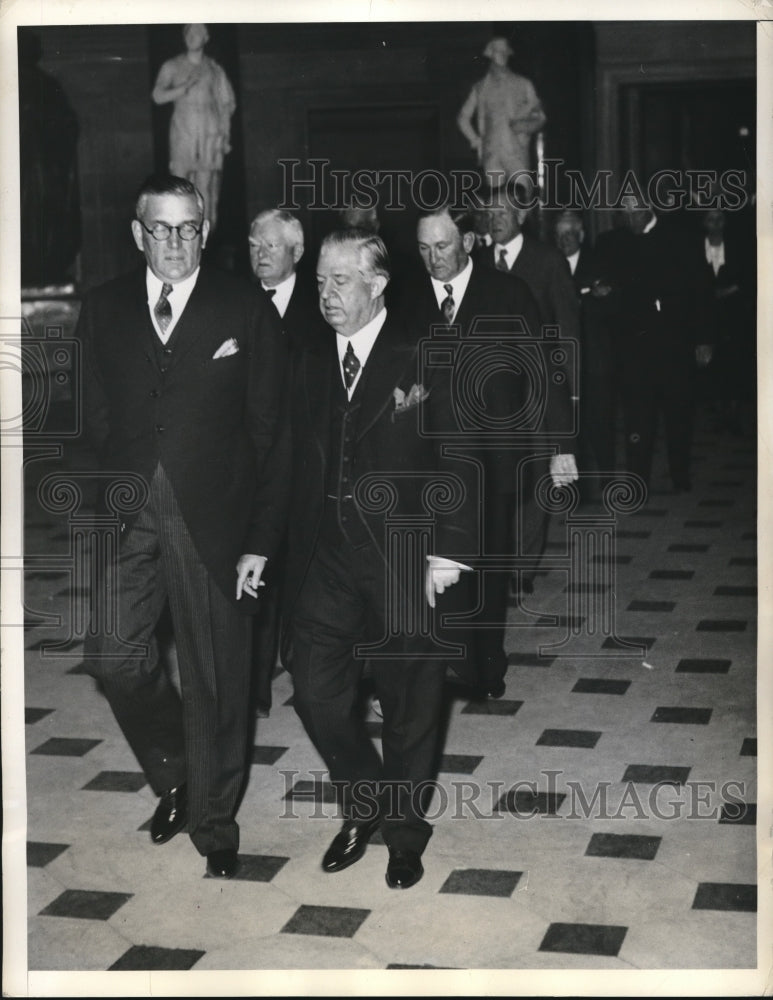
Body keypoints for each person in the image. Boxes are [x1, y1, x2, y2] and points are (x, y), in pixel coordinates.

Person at [79, 174, 289, 879]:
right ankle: (177, 774)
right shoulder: (104, 306)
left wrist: (260, 537)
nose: (175, 243)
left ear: (206, 229)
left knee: (216, 681)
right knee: (112, 655)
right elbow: (95, 415)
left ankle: (215, 822)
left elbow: (270, 433)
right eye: (161, 229)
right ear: (137, 233)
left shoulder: (243, 306)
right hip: (131, 513)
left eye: (188, 228)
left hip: (218, 522)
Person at [282, 228, 480, 890]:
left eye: (340, 281)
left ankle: (403, 834)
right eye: (318, 282)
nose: (325, 295)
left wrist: (449, 550)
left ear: (378, 283)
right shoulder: (307, 357)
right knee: (313, 690)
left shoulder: (429, 352)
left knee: (410, 704)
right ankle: (365, 794)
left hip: (406, 555)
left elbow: (461, 456)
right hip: (326, 557)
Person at [400, 205, 577, 700]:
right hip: (430, 462)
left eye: (442, 246)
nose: (433, 258)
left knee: (489, 568)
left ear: (469, 243)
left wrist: (561, 447)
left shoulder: (509, 294)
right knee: (438, 564)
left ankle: (485, 666)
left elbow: (544, 376)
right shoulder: (406, 301)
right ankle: (447, 668)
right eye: (423, 248)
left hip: (497, 460)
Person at [482, 181, 580, 590]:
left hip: (538, 392)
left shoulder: (547, 261)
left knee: (535, 476)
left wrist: (571, 395)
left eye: (503, 213)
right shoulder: (475, 261)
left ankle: (521, 567)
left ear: (521, 215)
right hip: (488, 393)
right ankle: (499, 562)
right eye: (489, 214)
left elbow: (569, 331)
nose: (495, 220)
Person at [247, 208, 325, 715]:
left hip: (304, 461)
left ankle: (305, 669)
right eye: (254, 244)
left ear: (296, 252)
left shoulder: (321, 308)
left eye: (270, 247)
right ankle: (253, 687)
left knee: (302, 570)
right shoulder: (233, 301)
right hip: (250, 463)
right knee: (255, 571)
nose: (259, 254)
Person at [594, 195, 714, 493]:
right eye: (625, 214)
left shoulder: (682, 239)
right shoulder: (611, 242)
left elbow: (702, 292)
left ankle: (680, 473)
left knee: (679, 412)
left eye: (636, 213)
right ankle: (638, 478)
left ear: (649, 209)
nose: (630, 219)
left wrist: (703, 339)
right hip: (634, 346)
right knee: (637, 416)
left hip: (676, 342)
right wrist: (603, 290)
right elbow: (602, 283)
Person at [151, 24, 236, 230]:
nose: (192, 36)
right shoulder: (173, 66)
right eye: (189, 32)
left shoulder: (214, 69)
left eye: (197, 32)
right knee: (180, 183)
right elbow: (157, 96)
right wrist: (182, 88)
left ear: (206, 37)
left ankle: (204, 231)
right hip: (184, 129)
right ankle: (181, 228)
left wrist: (224, 135)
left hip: (209, 131)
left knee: (205, 184)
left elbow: (226, 104)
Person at [554, 209, 617, 482]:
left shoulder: (599, 264)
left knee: (599, 422)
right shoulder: (551, 265)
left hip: (595, 359)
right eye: (560, 235)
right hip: (563, 359)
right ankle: (572, 484)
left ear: (581, 235)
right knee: (567, 424)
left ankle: (606, 479)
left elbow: (611, 307)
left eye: (570, 234)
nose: (565, 240)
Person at [457, 36, 546, 187]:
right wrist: (476, 141)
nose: (503, 55)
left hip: (516, 150)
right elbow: (463, 118)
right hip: (492, 153)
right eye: (499, 51)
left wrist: (524, 127)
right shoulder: (480, 88)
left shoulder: (523, 84)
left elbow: (540, 117)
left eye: (505, 52)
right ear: (490, 54)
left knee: (521, 198)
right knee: (496, 203)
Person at [698, 208, 756, 436]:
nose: (715, 224)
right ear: (704, 222)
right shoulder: (695, 248)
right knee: (712, 367)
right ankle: (719, 415)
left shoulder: (738, 248)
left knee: (735, 363)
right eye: (711, 219)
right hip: (705, 316)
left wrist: (729, 291)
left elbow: (749, 279)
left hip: (733, 317)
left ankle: (733, 415)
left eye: (720, 219)